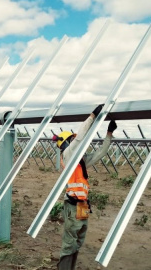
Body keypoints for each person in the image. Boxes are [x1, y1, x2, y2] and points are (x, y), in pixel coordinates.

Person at [52, 104, 117, 270]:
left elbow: (101, 153)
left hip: (83, 205)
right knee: (70, 241)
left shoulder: (81, 161)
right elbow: (80, 139)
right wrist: (92, 117)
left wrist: (109, 134)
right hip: (73, 204)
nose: (75, 141)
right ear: (66, 143)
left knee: (79, 239)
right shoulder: (67, 156)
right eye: (71, 140)